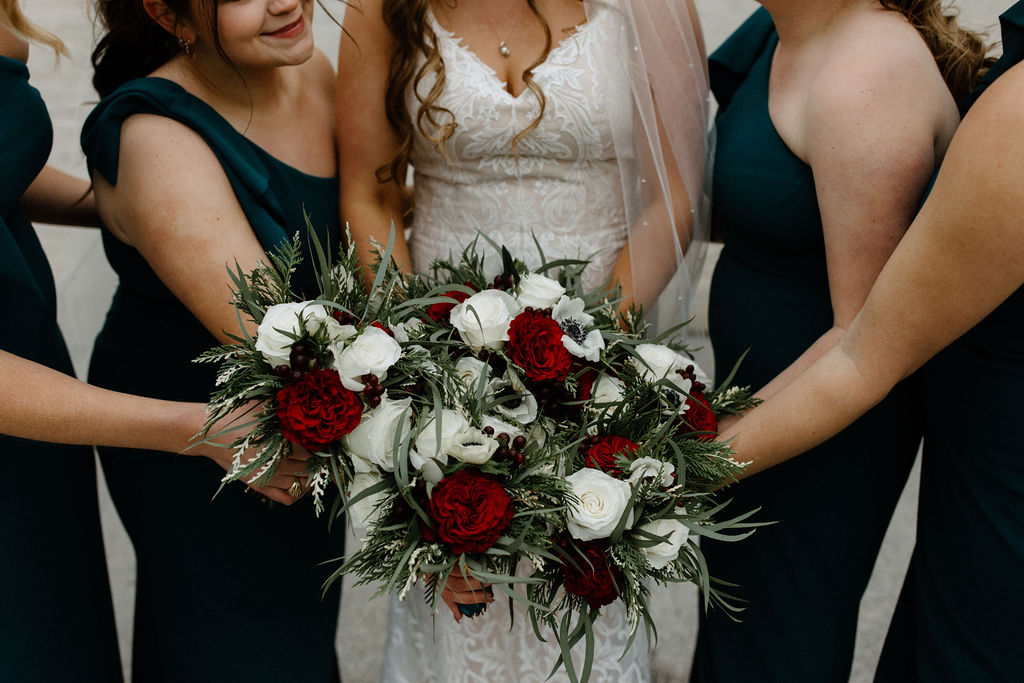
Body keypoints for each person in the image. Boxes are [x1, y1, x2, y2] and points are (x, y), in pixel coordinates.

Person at [336, 0, 710, 680]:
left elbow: (675, 193)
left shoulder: (649, 6)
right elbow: (369, 189)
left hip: (600, 347)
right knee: (458, 570)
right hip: (441, 355)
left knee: (583, 562)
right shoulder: (383, 8)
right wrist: (414, 367)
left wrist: (590, 361)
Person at [0, 4, 313, 680]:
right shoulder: (152, 125)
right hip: (41, 397)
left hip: (37, 398)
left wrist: (133, 209)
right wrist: (189, 426)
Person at [719, 3, 1024, 680]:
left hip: (824, 433)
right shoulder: (782, 38)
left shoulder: (876, 76)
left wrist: (680, 462)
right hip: (763, 410)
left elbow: (860, 342)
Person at [81, 1, 345, 680]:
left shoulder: (310, 70)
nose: (286, 1)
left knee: (298, 644)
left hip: (315, 425)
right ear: (171, 14)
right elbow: (285, 347)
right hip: (209, 444)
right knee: (231, 652)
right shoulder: (156, 136)